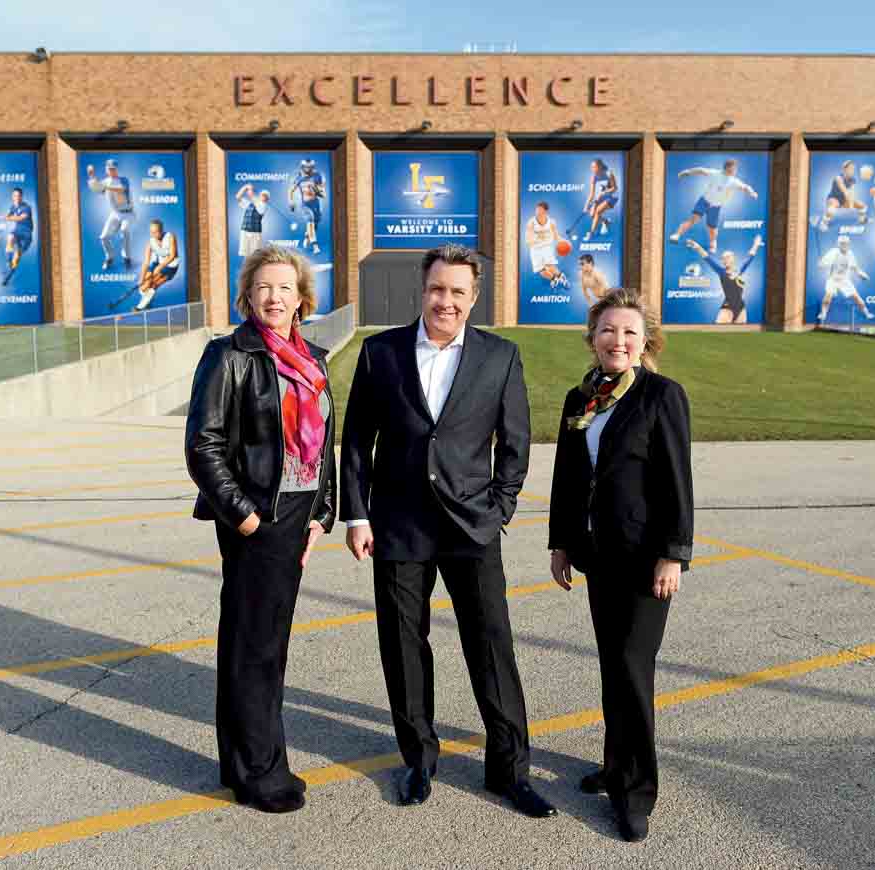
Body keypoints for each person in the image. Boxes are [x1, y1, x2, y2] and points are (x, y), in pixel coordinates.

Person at [341, 243, 555, 819]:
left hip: (471, 526)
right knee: (404, 646)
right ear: (423, 289)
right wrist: (357, 515)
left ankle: (509, 770)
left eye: (459, 292)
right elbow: (357, 442)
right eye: (438, 289)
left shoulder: (499, 356)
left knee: (491, 646)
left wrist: (500, 508)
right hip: (398, 523)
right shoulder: (379, 352)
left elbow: (516, 442)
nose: (447, 301)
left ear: (473, 297)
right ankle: (418, 760)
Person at [185, 244, 337, 815]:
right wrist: (244, 515)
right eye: (263, 287)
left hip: (298, 515)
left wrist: (323, 514)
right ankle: (259, 772)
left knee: (263, 641)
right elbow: (203, 443)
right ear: (247, 295)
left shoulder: (314, 359)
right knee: (256, 646)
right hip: (257, 517)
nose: (274, 297)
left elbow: (326, 443)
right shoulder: (229, 355)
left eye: (285, 287)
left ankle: (243, 760)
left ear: (302, 298)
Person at [547, 287, 693, 843]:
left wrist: (673, 553)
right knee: (614, 666)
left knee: (633, 671)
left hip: (644, 560)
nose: (619, 340)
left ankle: (635, 792)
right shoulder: (580, 397)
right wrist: (561, 542)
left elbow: (677, 480)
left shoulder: (661, 396)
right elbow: (567, 476)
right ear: (593, 338)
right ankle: (614, 767)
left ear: (646, 342)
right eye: (609, 330)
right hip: (598, 556)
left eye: (630, 332)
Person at [668, 158, 758, 252]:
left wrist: (752, 192)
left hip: (715, 207)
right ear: (727, 168)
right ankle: (677, 235)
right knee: (693, 220)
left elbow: (745, 187)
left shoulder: (734, 181)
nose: (735, 171)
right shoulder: (715, 173)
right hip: (704, 201)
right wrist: (688, 172)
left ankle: (713, 243)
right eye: (734, 169)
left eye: (736, 169)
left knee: (711, 228)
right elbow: (701, 170)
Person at [685, 234, 762, 324]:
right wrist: (697, 247)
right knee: (718, 332)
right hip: (727, 308)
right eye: (723, 258)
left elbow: (750, 257)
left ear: (733, 259)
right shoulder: (722, 272)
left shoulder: (740, 271)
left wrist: (756, 244)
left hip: (741, 308)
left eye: (727, 257)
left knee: (740, 336)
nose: (725, 260)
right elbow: (707, 258)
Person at [119, 218, 179, 312]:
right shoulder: (150, 242)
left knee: (153, 284)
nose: (153, 235)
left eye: (156, 232)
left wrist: (160, 267)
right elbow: (146, 262)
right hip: (158, 263)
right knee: (143, 287)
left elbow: (172, 255)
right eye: (151, 232)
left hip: (171, 266)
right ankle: (148, 299)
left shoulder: (170, 236)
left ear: (161, 230)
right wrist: (141, 279)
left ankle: (139, 307)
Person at [86, 158, 133, 270]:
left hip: (128, 213)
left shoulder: (123, 180)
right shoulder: (105, 182)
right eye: (109, 169)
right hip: (115, 214)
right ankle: (110, 257)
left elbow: (122, 189)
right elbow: (96, 189)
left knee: (124, 230)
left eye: (113, 169)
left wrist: (105, 187)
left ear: (117, 169)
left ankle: (127, 258)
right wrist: (92, 176)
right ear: (107, 170)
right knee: (103, 237)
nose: (111, 171)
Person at [815, 235, 873, 324]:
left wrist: (861, 274)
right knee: (828, 296)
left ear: (848, 244)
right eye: (842, 243)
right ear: (838, 244)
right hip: (833, 279)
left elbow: (855, 267)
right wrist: (821, 264)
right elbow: (824, 263)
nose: (844, 245)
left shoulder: (850, 253)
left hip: (845, 280)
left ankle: (867, 313)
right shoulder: (833, 252)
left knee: (856, 297)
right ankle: (823, 313)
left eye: (846, 243)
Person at [525, 201, 570, 290]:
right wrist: (533, 240)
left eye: (540, 210)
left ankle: (563, 278)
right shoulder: (531, 222)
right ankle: (554, 279)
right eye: (536, 210)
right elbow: (528, 238)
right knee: (541, 271)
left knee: (549, 265)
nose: (537, 212)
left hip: (547, 247)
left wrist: (564, 241)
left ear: (545, 211)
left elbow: (556, 236)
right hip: (535, 249)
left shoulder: (551, 222)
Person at [289, 159, 325, 256]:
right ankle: (315, 246)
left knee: (315, 224)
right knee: (310, 222)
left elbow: (323, 193)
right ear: (302, 167)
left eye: (310, 167)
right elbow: (291, 190)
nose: (308, 169)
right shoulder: (298, 177)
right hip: (305, 205)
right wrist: (291, 201)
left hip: (315, 204)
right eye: (306, 167)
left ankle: (307, 236)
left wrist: (317, 190)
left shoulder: (317, 176)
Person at [1, 188, 34, 286]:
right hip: (17, 230)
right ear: (12, 197)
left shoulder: (27, 207)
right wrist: (5, 216)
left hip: (27, 234)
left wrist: (7, 218)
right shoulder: (13, 207)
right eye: (14, 196)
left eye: (18, 196)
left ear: (21, 197)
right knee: (10, 237)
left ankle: (8, 275)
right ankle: (8, 262)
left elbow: (21, 217)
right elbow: (8, 215)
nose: (16, 198)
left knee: (17, 257)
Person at [583, 158, 619, 240]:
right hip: (601, 198)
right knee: (592, 214)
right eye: (591, 167)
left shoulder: (609, 174)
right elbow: (591, 194)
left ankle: (591, 233)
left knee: (598, 211)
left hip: (612, 197)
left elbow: (615, 188)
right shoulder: (593, 177)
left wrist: (604, 192)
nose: (592, 169)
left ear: (599, 167)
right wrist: (586, 206)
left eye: (594, 167)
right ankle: (605, 221)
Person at [236, 184, 271, 257]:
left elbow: (251, 196)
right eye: (262, 194)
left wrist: (249, 188)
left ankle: (254, 268)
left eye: (266, 196)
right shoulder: (249, 204)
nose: (263, 196)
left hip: (255, 234)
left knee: (255, 255)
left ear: (267, 199)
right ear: (259, 195)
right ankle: (247, 268)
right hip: (245, 231)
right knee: (245, 254)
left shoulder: (264, 206)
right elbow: (238, 197)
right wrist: (245, 187)